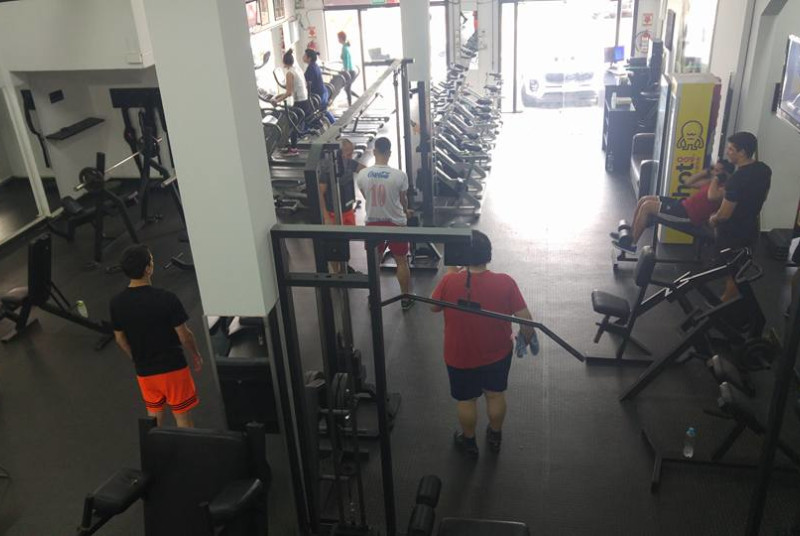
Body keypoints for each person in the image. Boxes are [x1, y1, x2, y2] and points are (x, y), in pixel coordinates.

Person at [430, 231, 535, 458]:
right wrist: (525, 339)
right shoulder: (506, 282)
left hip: (459, 355)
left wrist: (451, 273)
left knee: (466, 400)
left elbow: (434, 306)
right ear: (488, 254)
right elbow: (527, 320)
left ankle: (469, 443)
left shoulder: (449, 281)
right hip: (497, 354)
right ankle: (495, 437)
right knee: (495, 394)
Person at [110, 245, 204, 428]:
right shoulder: (167, 298)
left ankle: (154, 446)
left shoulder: (116, 303)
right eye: (151, 260)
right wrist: (196, 354)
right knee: (182, 417)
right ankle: (187, 447)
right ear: (148, 269)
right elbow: (184, 335)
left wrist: (136, 358)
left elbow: (120, 339)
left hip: (145, 372)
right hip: (173, 368)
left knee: (154, 418)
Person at [611, 159, 734, 253]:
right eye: (714, 170)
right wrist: (707, 171)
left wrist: (716, 179)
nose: (714, 173)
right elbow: (688, 182)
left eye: (717, 171)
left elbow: (712, 196)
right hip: (682, 204)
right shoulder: (711, 182)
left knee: (647, 207)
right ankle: (631, 235)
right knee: (644, 199)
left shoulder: (725, 189)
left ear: (724, 174)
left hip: (688, 216)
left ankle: (631, 245)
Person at [709, 131, 772, 301]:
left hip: (733, 233)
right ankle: (730, 301)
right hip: (751, 228)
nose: (727, 152)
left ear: (742, 152)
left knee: (732, 271)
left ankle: (725, 305)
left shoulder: (736, 180)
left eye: (731, 149)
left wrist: (713, 218)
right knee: (738, 268)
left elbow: (724, 214)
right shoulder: (764, 170)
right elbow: (765, 196)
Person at [355, 137, 414, 310]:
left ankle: (373, 296)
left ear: (374, 152)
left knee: (374, 261)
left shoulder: (362, 174)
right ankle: (405, 298)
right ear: (389, 153)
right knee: (401, 260)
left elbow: (366, 196)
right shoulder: (399, 175)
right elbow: (403, 200)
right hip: (395, 223)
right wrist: (406, 211)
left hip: (373, 223)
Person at [273, 49, 311, 157]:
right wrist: (279, 97)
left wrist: (276, 101)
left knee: (292, 124)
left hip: (300, 103)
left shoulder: (289, 73)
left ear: (284, 61)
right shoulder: (297, 70)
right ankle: (291, 146)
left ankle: (293, 149)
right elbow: (292, 89)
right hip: (305, 101)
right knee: (292, 123)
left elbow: (289, 93)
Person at [319, 138, 364, 226]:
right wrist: (326, 217)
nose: (351, 157)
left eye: (351, 153)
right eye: (348, 154)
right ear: (339, 154)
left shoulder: (349, 163)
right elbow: (320, 193)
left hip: (349, 210)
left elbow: (366, 171)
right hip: (333, 214)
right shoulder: (327, 169)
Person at [303, 48, 335, 125]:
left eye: (304, 55)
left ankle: (308, 128)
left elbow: (308, 84)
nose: (303, 57)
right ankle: (334, 123)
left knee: (306, 111)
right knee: (324, 111)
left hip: (319, 96)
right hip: (324, 93)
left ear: (309, 58)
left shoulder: (310, 68)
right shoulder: (315, 66)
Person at [338, 31, 356, 106]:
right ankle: (352, 103)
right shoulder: (345, 46)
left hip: (350, 71)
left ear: (341, 38)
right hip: (351, 70)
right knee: (347, 88)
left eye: (338, 38)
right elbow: (345, 59)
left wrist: (346, 70)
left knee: (347, 88)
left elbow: (347, 60)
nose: (338, 40)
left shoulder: (345, 48)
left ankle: (351, 105)